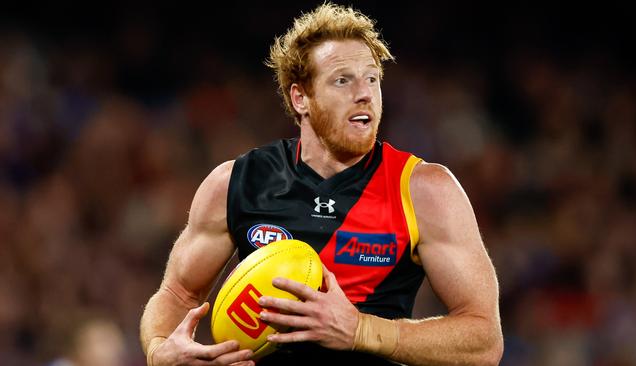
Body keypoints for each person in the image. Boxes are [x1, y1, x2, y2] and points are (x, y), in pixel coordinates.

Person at [139, 3, 503, 365]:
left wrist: (360, 329)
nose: (365, 94)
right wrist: (160, 351)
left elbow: (484, 340)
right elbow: (176, 292)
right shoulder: (237, 183)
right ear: (301, 98)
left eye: (372, 78)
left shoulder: (424, 190)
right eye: (343, 80)